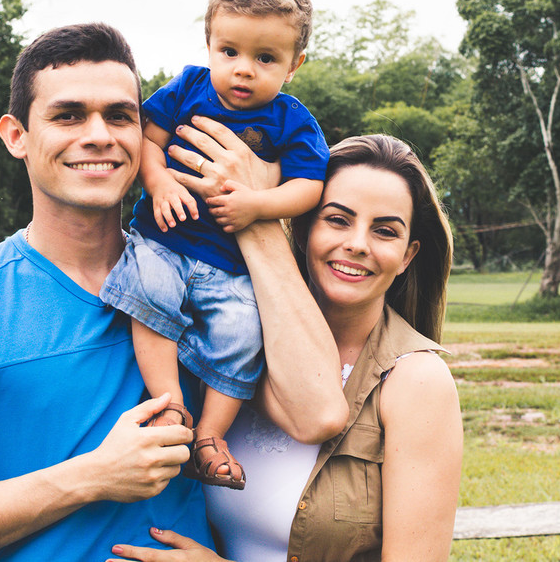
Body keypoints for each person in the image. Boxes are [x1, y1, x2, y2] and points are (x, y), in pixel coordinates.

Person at [0, 23, 346, 562]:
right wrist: (93, 476)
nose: (99, 135)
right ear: (15, 135)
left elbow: (320, 412)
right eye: (68, 115)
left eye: (120, 116)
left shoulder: (215, 290)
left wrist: (251, 206)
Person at [111, 130, 463, 562]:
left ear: (407, 256)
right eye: (337, 219)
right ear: (301, 228)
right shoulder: (235, 338)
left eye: (385, 231)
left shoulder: (416, 382)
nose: (357, 244)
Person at [99, 0, 329, 490]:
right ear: (209, 45)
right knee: (150, 294)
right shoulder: (186, 88)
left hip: (230, 265)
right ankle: (170, 405)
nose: (243, 70)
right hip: (166, 238)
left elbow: (309, 187)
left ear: (294, 65)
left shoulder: (294, 121)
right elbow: (148, 141)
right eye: (230, 52)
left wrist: (256, 203)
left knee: (245, 334)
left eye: (265, 58)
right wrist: (157, 183)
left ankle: (210, 436)